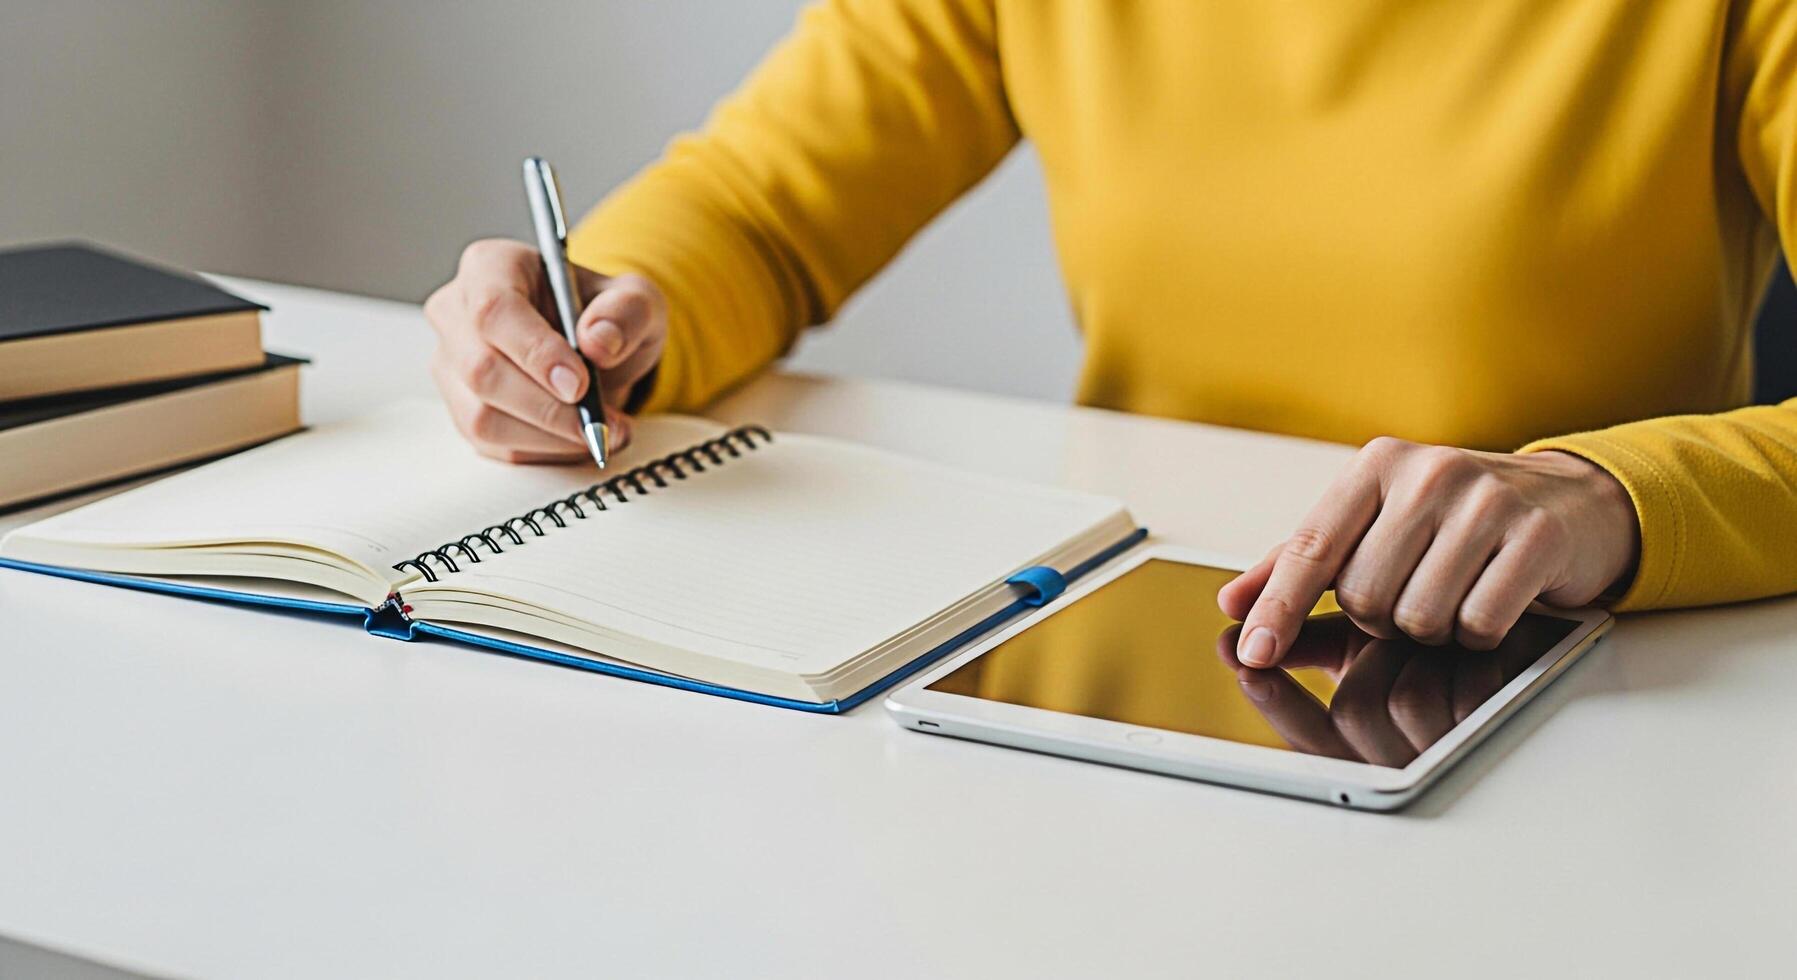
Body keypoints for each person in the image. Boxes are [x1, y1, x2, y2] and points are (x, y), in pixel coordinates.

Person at [423, 1, 1797, 670]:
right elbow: (766, 203)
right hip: (1154, 648)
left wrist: (1612, 499)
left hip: (1582, 679)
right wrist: (600, 309)